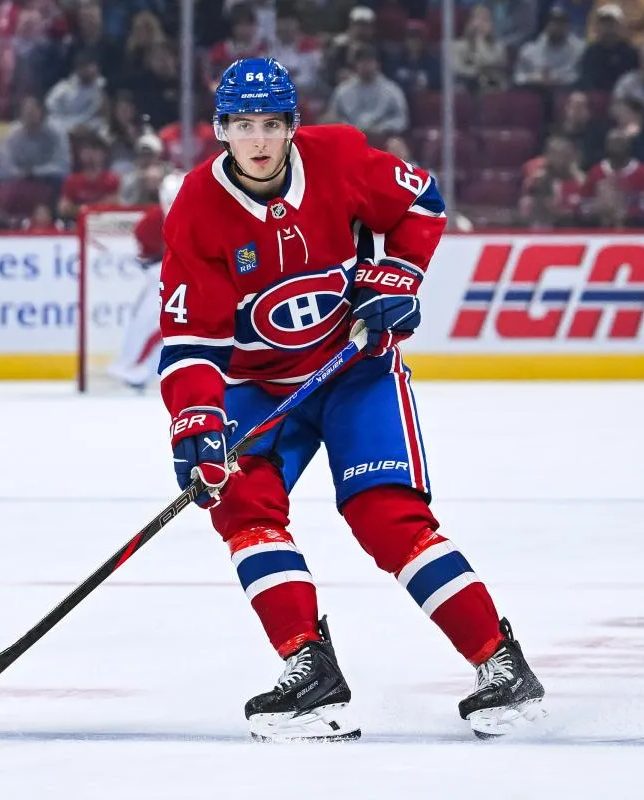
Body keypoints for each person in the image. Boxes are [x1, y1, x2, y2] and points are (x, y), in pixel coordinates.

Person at [156, 57, 547, 742]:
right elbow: (193, 339)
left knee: (385, 517)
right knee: (242, 504)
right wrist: (196, 420)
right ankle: (308, 668)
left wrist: (397, 275)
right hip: (257, 387)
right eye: (243, 124)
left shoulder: (337, 157)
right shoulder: (197, 208)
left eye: (271, 124)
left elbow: (422, 201)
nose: (258, 139)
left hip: (353, 370)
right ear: (221, 129)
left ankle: (500, 663)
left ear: (290, 126)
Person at [107, 171, 184, 390]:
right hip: (161, 280)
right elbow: (145, 258)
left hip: (193, 282)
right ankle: (133, 365)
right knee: (144, 322)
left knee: (172, 325)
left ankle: (138, 367)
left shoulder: (207, 218)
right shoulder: (149, 224)